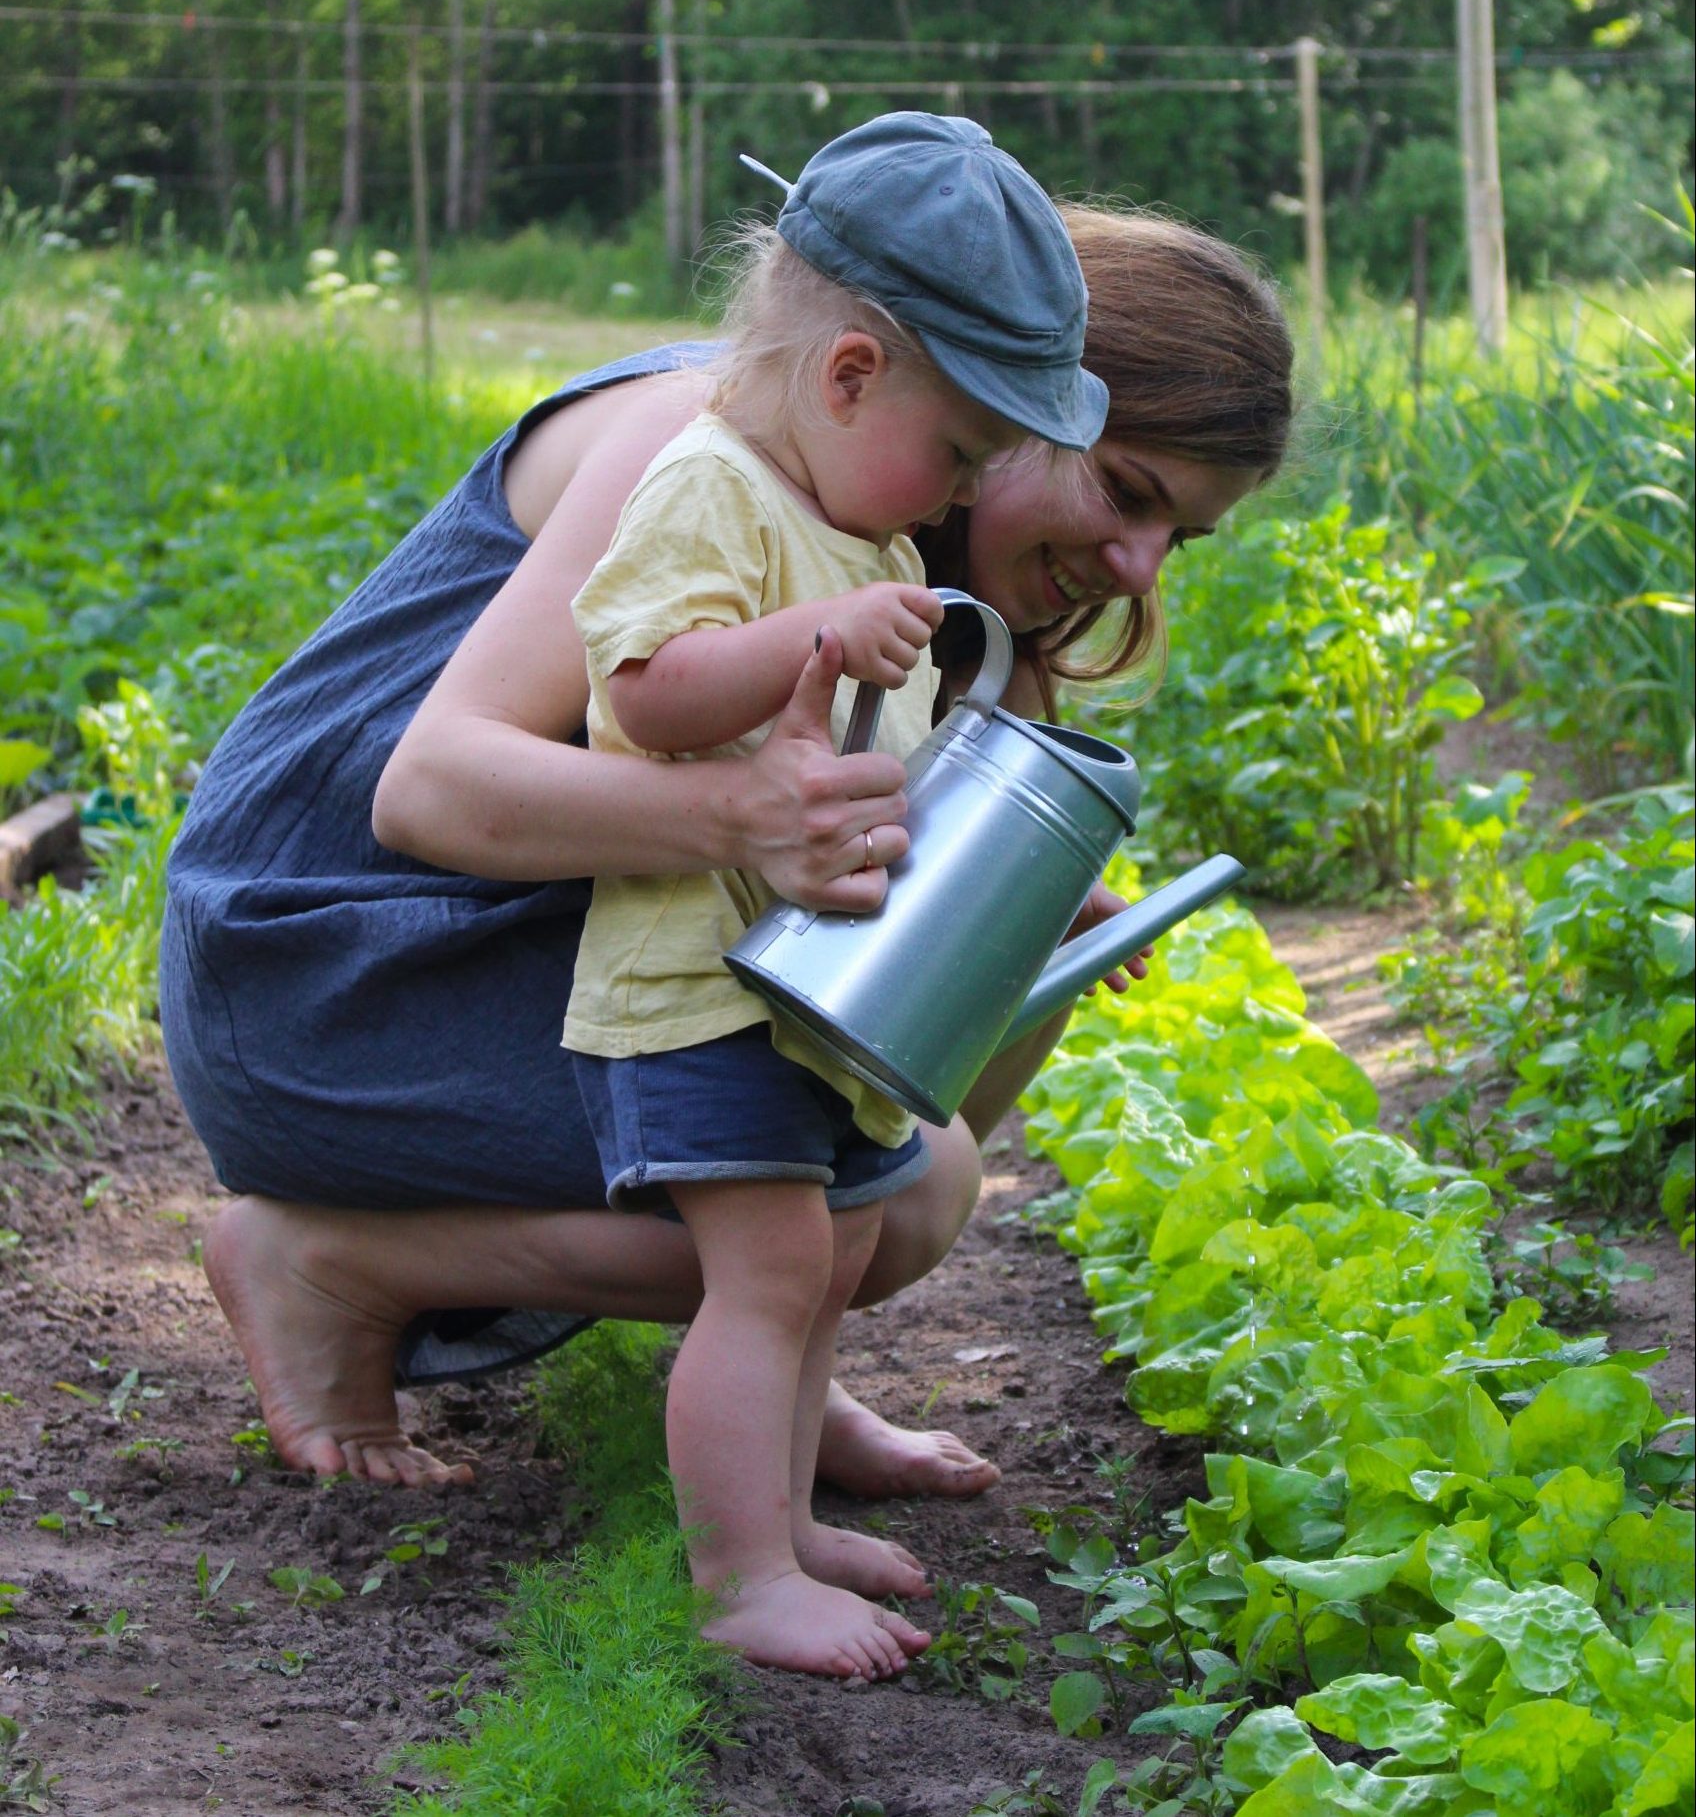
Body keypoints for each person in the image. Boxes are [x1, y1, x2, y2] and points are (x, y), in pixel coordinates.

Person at [159, 148, 1293, 1509]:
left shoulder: (898, 537)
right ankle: (334, 1263)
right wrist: (740, 816)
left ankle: (774, 1362)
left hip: (510, 931)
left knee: (929, 1104)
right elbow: (432, 790)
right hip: (322, 961)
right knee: (893, 1196)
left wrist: (994, 891)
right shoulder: (696, 447)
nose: (1139, 569)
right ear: (974, 384)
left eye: (1185, 537)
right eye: (1125, 491)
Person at [557, 114, 1100, 1679]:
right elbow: (646, 691)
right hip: (698, 989)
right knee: (777, 1267)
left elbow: (881, 789)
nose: (962, 492)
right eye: (961, 453)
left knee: (836, 1258)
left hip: (798, 998)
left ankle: (780, 1521)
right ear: (850, 375)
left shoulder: (846, 522)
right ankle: (739, 1578)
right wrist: (814, 639)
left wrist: (1030, 893)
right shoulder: (710, 487)